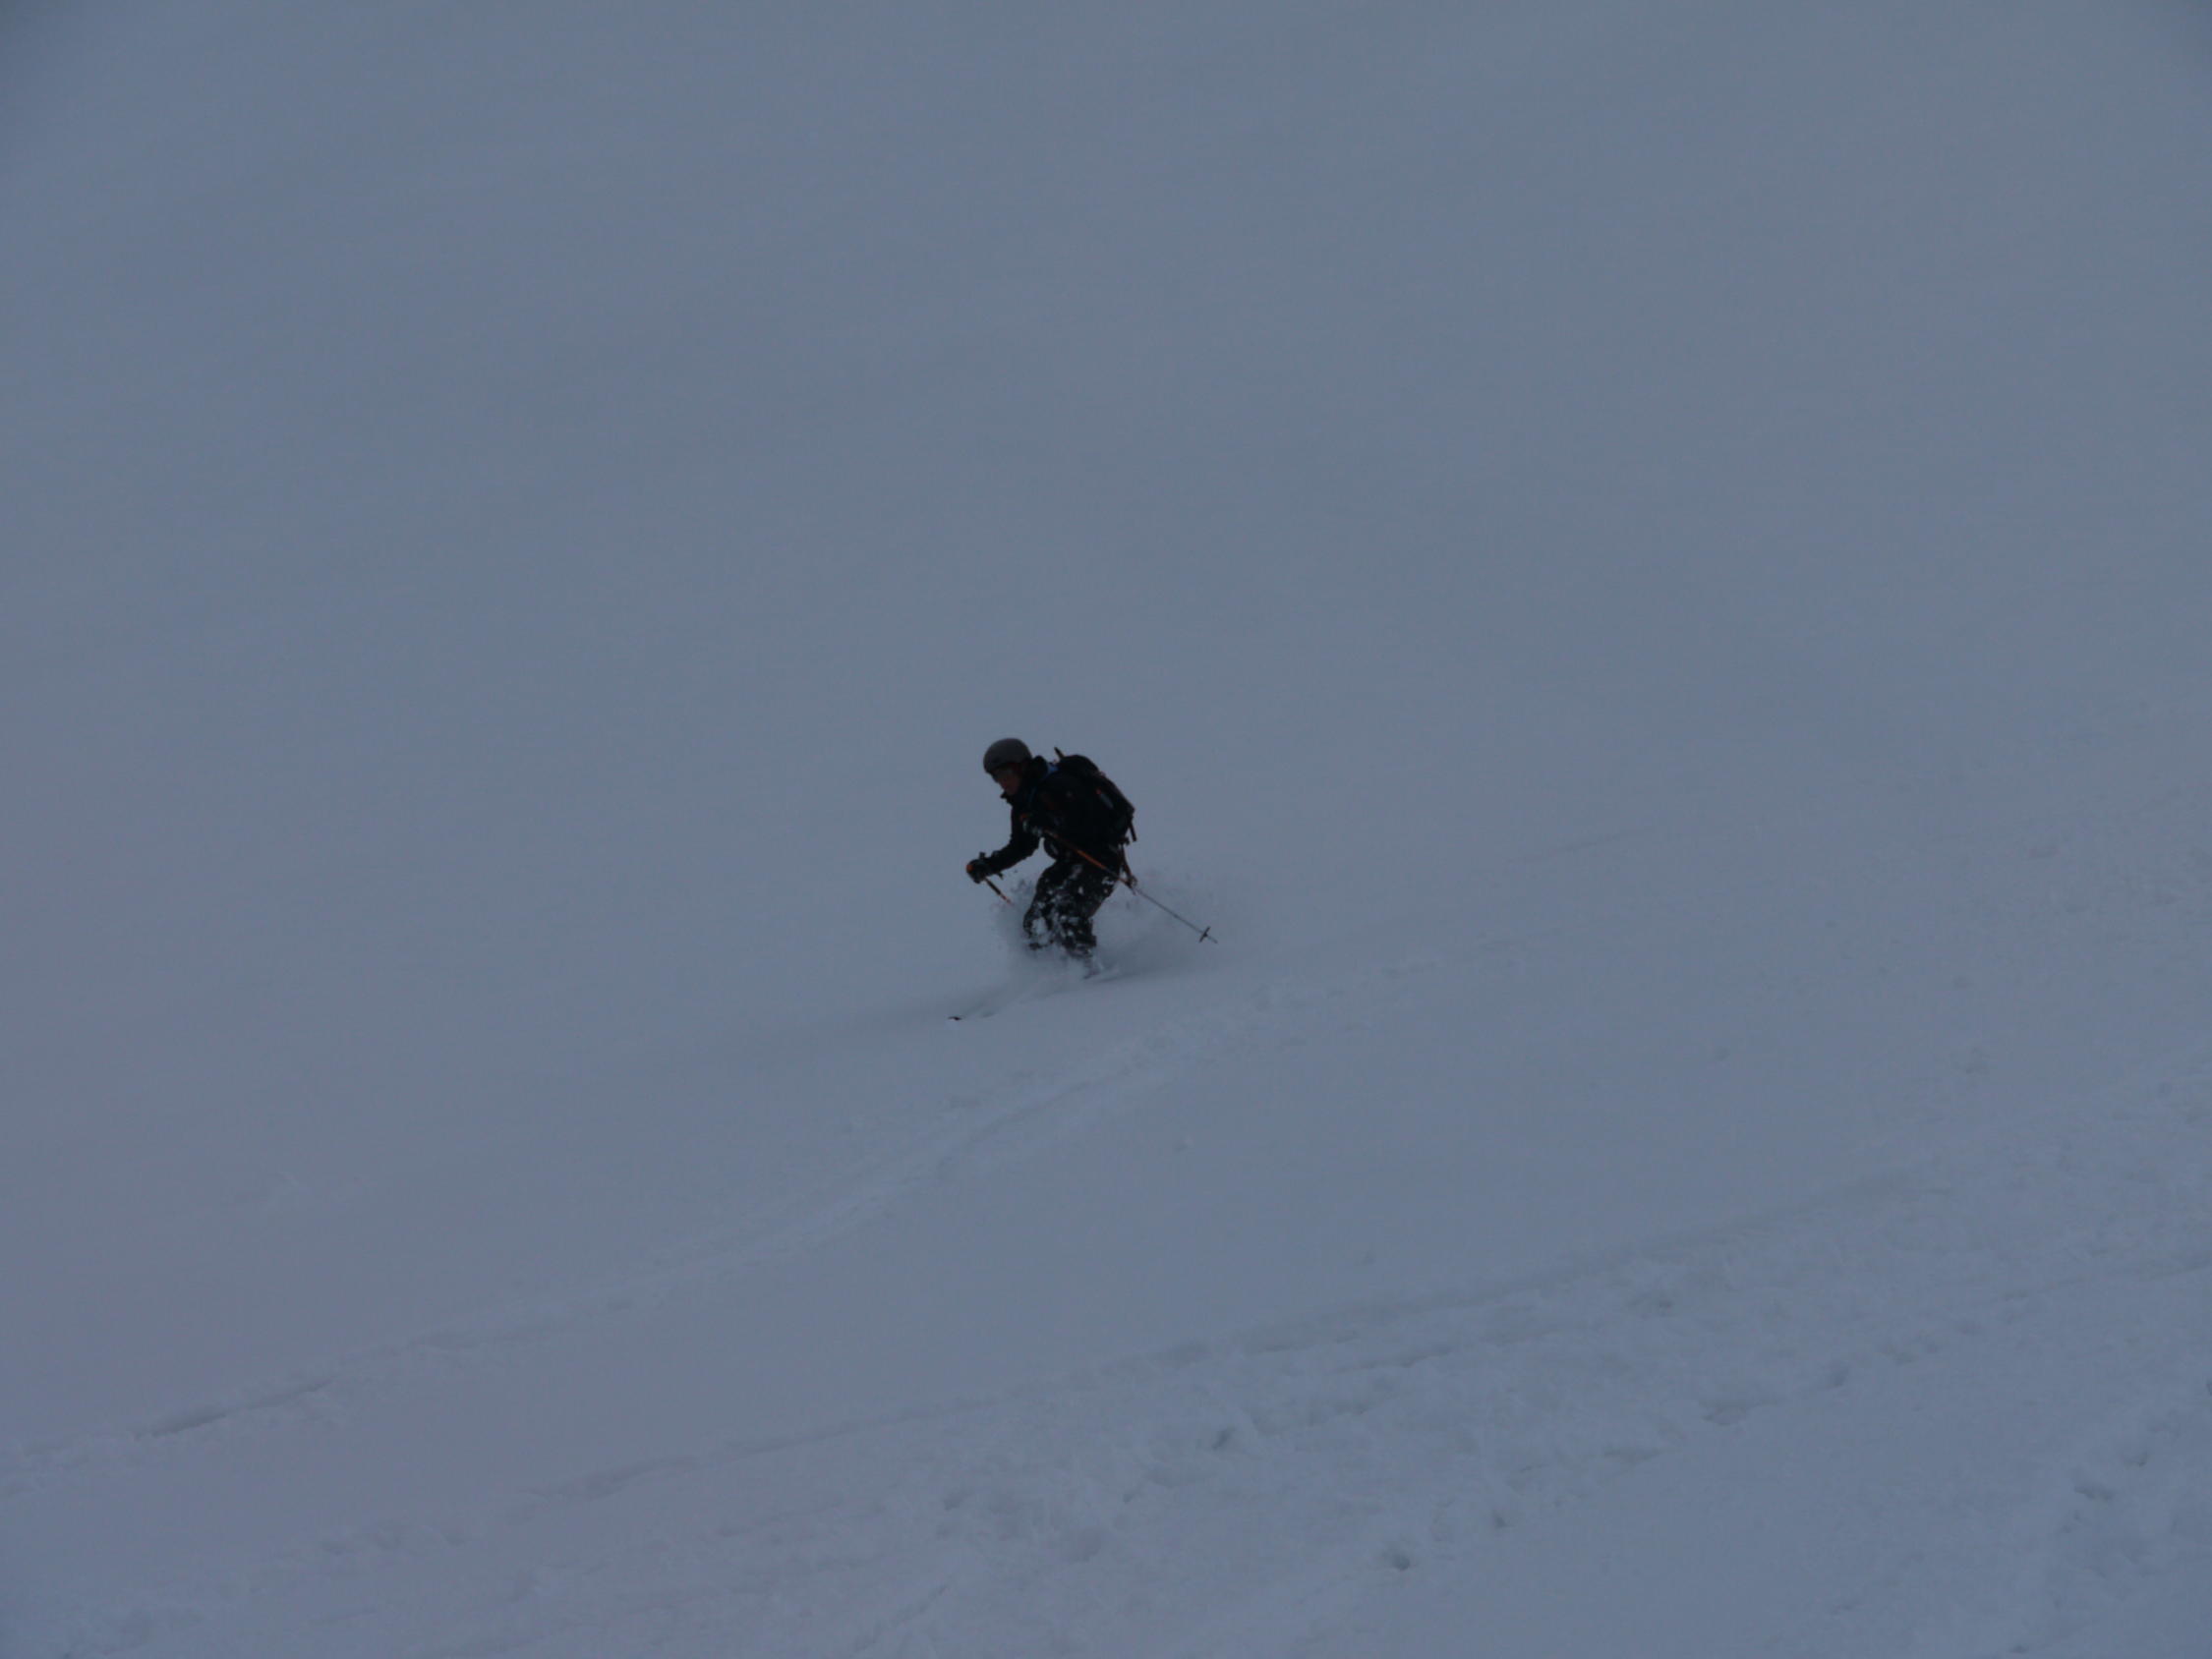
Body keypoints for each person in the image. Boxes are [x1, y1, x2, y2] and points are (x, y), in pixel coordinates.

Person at [965, 737, 1133, 964]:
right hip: (1069, 863)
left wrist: (1048, 822)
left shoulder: (1060, 784)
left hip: (1099, 860)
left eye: (1006, 773)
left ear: (1022, 766)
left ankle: (1088, 970)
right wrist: (989, 865)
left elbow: (1089, 823)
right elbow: (1022, 846)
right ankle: (1051, 972)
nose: (1002, 782)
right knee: (1035, 921)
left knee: (1067, 914)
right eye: (996, 777)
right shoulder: (1023, 803)